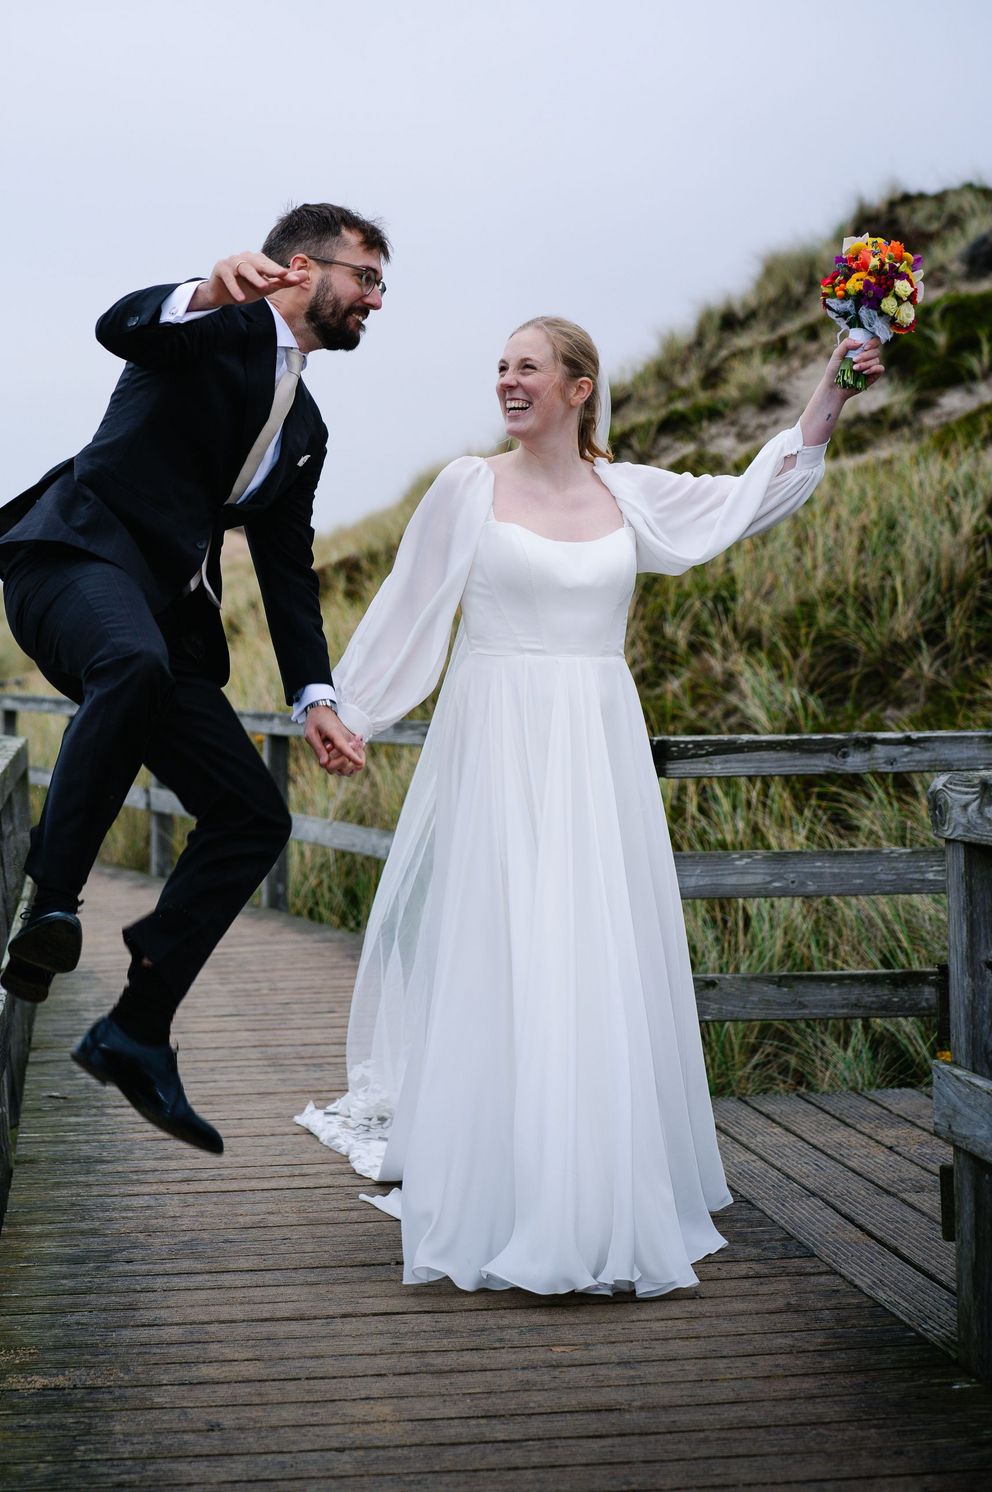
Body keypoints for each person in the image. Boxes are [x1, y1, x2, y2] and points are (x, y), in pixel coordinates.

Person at [297, 317, 885, 1294]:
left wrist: (828, 390)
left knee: (586, 952)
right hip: (495, 742)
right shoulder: (465, 487)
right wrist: (345, 707)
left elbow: (746, 498)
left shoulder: (628, 494)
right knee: (504, 949)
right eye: (497, 368)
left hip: (595, 745)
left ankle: (595, 1185)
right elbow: (406, 604)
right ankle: (503, 1183)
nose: (505, 381)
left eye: (525, 367)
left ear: (578, 389)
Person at [0, 204, 384, 1154]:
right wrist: (202, 291)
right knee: (131, 661)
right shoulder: (210, 327)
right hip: (71, 565)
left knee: (254, 815)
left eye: (379, 285)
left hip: (165, 627)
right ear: (298, 268)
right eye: (365, 277)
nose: (374, 299)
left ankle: (136, 1028)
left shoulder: (307, 427)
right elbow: (119, 324)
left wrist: (315, 696)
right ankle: (53, 904)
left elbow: (287, 569)